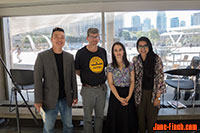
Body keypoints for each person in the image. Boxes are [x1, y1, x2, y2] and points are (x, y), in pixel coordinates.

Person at [34, 27, 78, 133]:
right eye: (56, 37)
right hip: (49, 99)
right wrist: (38, 100)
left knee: (68, 125)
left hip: (65, 98)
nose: (59, 40)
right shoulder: (42, 56)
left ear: (64, 39)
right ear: (51, 39)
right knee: (48, 128)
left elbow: (73, 78)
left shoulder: (69, 57)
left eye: (62, 37)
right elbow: (37, 79)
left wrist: (75, 95)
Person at [75, 28, 107, 133]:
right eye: (92, 37)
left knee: (100, 117)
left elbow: (104, 68)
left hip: (101, 89)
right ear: (87, 38)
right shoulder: (81, 53)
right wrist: (88, 77)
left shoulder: (103, 52)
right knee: (87, 118)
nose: (94, 39)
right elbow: (77, 70)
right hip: (87, 89)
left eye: (96, 36)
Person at [132, 36, 166, 133]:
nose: (143, 48)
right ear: (137, 47)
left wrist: (158, 97)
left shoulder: (156, 59)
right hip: (139, 94)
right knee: (140, 122)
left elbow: (160, 78)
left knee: (152, 123)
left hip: (153, 94)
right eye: (140, 46)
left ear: (149, 46)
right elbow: (132, 78)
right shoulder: (135, 60)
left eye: (145, 46)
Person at [105, 42, 138, 133]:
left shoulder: (130, 65)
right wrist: (120, 98)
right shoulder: (110, 67)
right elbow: (110, 84)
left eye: (120, 50)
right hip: (116, 95)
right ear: (113, 53)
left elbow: (132, 81)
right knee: (116, 120)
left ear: (123, 51)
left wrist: (128, 97)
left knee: (128, 120)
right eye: (115, 50)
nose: (118, 52)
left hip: (128, 93)